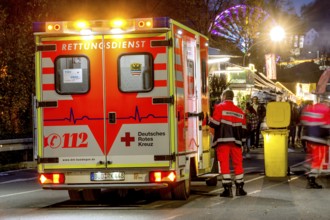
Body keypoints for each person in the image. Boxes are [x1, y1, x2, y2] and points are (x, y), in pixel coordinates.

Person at [209, 89, 247, 197]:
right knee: (238, 164)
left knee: (224, 164)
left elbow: (215, 123)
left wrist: (208, 120)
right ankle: (240, 189)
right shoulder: (240, 111)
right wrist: (243, 144)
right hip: (237, 143)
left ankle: (227, 190)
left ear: (224, 96)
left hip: (223, 141)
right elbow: (244, 130)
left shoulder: (219, 107)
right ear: (233, 97)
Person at [300, 99, 330, 189]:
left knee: (311, 158)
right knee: (318, 160)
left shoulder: (310, 108)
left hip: (308, 139)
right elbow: (328, 125)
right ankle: (312, 179)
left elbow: (303, 121)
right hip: (319, 140)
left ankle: (308, 172)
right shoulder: (326, 110)